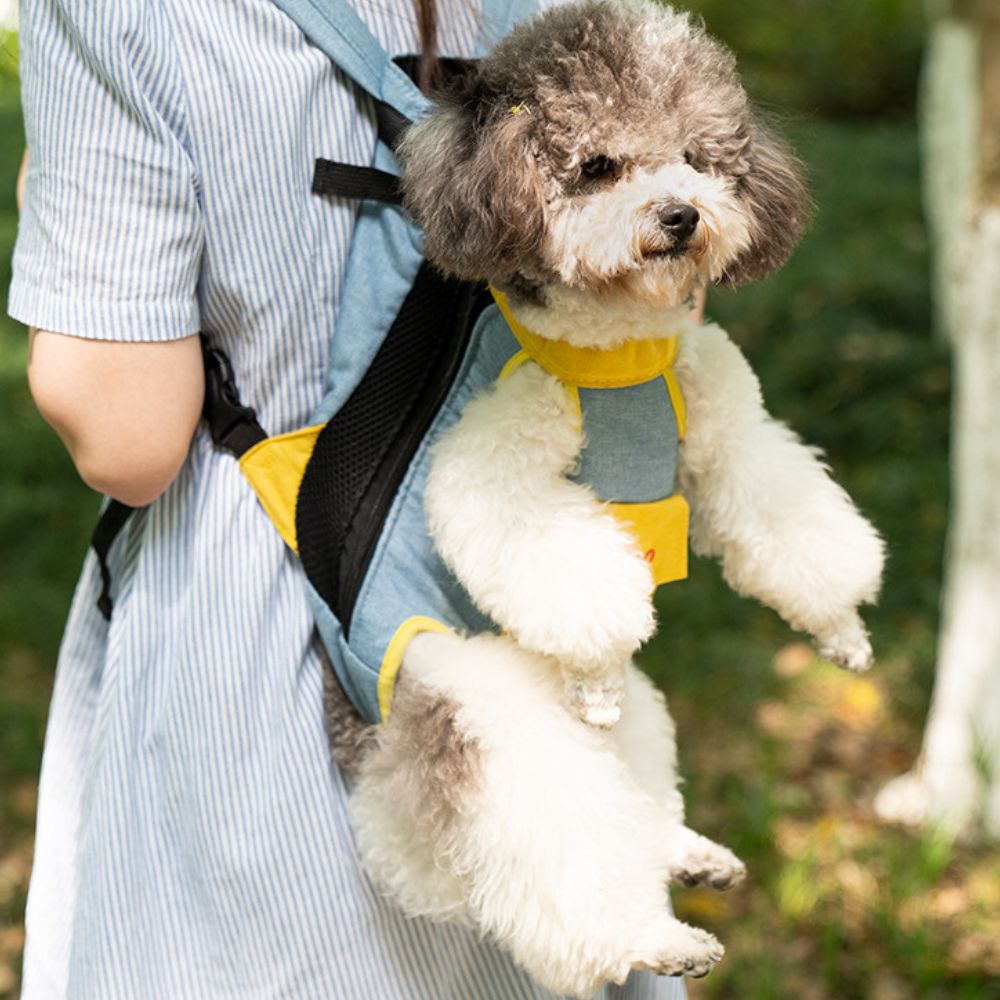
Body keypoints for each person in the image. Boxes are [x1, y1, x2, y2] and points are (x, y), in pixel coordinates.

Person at [10, 1, 690, 996]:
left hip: (251, 634)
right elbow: (660, 290)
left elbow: (127, 436)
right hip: (519, 604)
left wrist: (47, 195)